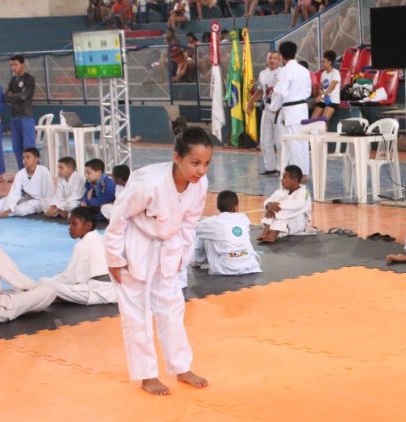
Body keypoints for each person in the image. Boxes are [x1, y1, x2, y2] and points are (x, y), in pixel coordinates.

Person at [104, 126, 212, 396]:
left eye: (206, 164)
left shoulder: (201, 186)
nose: (201, 170)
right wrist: (115, 258)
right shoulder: (149, 183)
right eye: (195, 163)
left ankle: (181, 366)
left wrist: (182, 256)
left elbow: (190, 222)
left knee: (172, 309)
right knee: (136, 314)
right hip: (136, 245)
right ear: (177, 157)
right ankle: (147, 374)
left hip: (169, 246)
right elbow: (118, 218)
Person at [41, 206, 117, 306]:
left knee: (45, 282)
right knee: (55, 281)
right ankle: (60, 296)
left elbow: (72, 278)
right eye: (69, 224)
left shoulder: (83, 245)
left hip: (96, 292)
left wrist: (53, 280)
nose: (70, 228)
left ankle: (58, 296)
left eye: (74, 224)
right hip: (112, 290)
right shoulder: (100, 238)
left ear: (88, 225)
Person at [268, 41, 313, 180]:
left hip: (291, 110)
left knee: (294, 143)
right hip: (303, 108)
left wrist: (273, 107)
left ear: (281, 56)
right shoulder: (304, 70)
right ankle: (303, 172)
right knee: (302, 142)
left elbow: (280, 92)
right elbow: (308, 90)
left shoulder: (286, 71)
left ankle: (298, 175)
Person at [194, 190, 262, 275]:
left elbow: (193, 229)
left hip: (225, 268)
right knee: (209, 232)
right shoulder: (244, 218)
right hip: (250, 264)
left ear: (218, 207)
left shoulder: (212, 222)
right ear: (236, 207)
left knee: (203, 235)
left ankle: (196, 262)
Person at [0, 147, 51, 218]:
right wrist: (7, 209)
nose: (25, 160)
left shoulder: (43, 171)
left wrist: (48, 208)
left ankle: (8, 213)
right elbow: (14, 193)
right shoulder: (20, 173)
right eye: (23, 157)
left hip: (39, 201)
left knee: (21, 210)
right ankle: (7, 211)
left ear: (36, 159)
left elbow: (49, 192)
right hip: (25, 198)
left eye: (28, 157)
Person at [248, 50, 282, 176]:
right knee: (265, 140)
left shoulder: (282, 73)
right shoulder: (263, 73)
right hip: (266, 110)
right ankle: (270, 167)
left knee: (279, 141)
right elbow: (260, 91)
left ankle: (281, 168)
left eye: (274, 58)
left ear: (279, 60)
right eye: (270, 58)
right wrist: (251, 102)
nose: (272, 60)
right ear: (267, 59)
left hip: (279, 110)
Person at [258, 165, 312, 243]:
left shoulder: (303, 193)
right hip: (282, 221)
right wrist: (269, 205)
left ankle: (273, 231)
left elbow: (296, 205)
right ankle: (266, 229)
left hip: (298, 222)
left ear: (294, 181)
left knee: (282, 211)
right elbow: (268, 201)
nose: (281, 180)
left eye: (284, 178)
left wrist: (275, 207)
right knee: (272, 209)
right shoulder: (281, 191)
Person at [6, 54, 37, 170]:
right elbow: (5, 97)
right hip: (15, 118)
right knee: (17, 147)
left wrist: (12, 95)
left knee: (29, 148)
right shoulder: (13, 80)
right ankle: (22, 172)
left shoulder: (29, 79)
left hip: (26, 117)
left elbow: (23, 96)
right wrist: (15, 96)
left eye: (15, 64)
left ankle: (34, 171)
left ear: (22, 65)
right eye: (11, 65)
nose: (13, 67)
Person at [309, 50, 340, 122]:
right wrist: (321, 95)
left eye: (324, 62)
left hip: (332, 101)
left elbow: (331, 88)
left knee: (323, 121)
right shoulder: (323, 74)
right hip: (324, 100)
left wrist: (321, 96)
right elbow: (321, 88)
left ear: (329, 62)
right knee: (312, 120)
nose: (322, 63)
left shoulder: (336, 72)